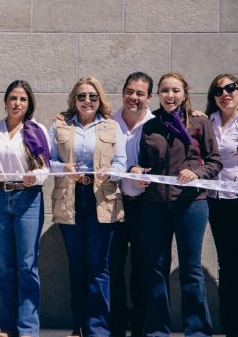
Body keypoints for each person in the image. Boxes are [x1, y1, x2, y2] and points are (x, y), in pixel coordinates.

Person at [131, 71, 222, 337]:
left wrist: (197, 173)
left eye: (175, 91)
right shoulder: (150, 125)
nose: (170, 96)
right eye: (165, 91)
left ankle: (197, 331)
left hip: (191, 204)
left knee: (191, 269)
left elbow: (215, 162)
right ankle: (158, 330)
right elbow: (139, 161)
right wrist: (137, 171)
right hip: (156, 204)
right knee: (156, 267)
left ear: (184, 93)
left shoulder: (199, 123)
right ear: (158, 95)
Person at [49, 76, 127, 337]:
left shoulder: (112, 127)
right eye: (82, 96)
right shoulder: (59, 127)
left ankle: (98, 330)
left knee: (98, 266)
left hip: (101, 200)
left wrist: (111, 172)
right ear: (74, 99)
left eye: (92, 96)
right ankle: (78, 327)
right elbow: (47, 162)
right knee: (77, 265)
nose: (87, 101)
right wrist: (63, 168)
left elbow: (122, 163)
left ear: (99, 99)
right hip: (71, 198)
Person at [0, 80, 49, 337]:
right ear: (5, 101)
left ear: (29, 103)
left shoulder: (36, 130)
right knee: (7, 266)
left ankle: (28, 328)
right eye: (13, 98)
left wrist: (36, 176)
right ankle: (7, 326)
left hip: (28, 199)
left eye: (22, 99)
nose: (17, 103)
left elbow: (45, 166)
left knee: (27, 265)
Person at [205, 74, 238, 337]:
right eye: (219, 90)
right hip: (217, 201)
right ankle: (232, 328)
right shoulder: (207, 122)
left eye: (231, 88)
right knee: (227, 265)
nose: (225, 93)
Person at [109, 72, 155, 337]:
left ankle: (139, 325)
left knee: (142, 266)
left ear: (149, 97)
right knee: (112, 266)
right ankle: (117, 325)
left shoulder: (157, 123)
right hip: (114, 202)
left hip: (145, 207)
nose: (133, 97)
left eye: (140, 93)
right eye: (129, 91)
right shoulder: (108, 121)